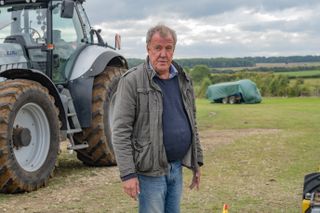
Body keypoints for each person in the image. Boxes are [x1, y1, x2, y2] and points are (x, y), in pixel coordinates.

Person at [112, 24, 203, 213]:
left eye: (168, 48)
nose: (163, 54)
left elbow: (192, 122)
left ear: (173, 50)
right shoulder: (132, 81)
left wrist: (196, 162)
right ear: (148, 49)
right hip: (149, 172)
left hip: (176, 167)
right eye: (158, 48)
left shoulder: (183, 80)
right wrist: (127, 174)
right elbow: (120, 131)